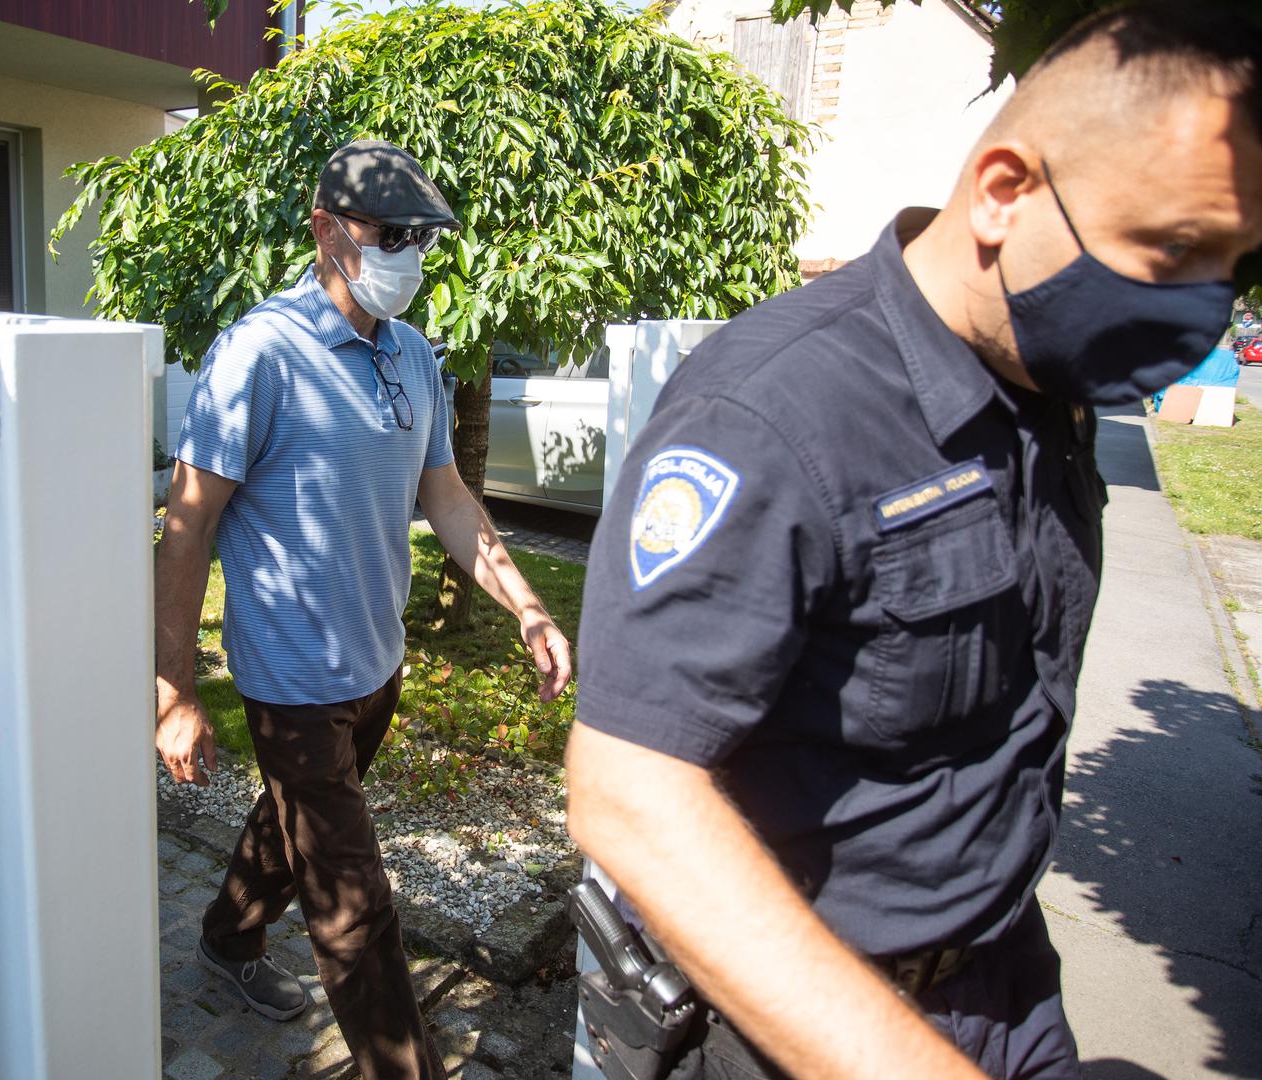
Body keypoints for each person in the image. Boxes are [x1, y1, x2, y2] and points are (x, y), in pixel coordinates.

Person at [565, 5, 1262, 1079]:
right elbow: (630, 792)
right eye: (1172, 250)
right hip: (817, 1024)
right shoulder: (773, 412)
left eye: (1230, 261)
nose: (1203, 305)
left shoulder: (1049, 390)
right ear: (1004, 192)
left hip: (1010, 982)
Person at [154, 140, 573, 1080]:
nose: (410, 255)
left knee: (294, 817)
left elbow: (449, 497)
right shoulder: (259, 352)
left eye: (421, 239)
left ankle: (224, 943)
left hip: (376, 666)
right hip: (290, 676)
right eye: (391, 235)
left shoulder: (412, 353)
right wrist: (173, 693)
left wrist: (527, 609)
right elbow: (185, 530)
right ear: (325, 230)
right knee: (353, 904)